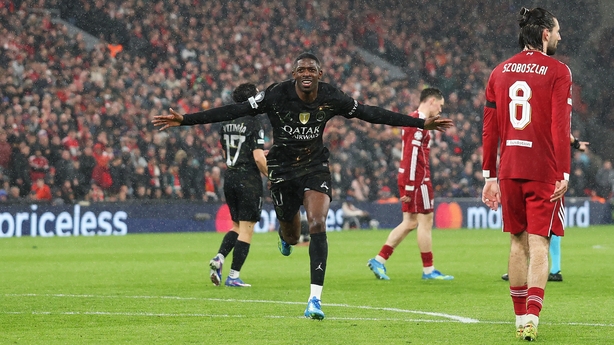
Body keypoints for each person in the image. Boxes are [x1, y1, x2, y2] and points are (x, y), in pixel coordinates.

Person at [153, 52, 453, 320]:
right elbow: (236, 110)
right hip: (282, 170)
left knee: (318, 224)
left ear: (319, 74)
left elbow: (371, 113)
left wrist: (419, 123)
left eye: (312, 69)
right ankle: (286, 237)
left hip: (314, 167)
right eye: (301, 69)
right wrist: (186, 120)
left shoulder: (332, 96)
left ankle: (314, 299)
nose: (306, 73)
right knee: (293, 236)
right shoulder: (275, 94)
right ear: (294, 74)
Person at [481, 8, 571, 341]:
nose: (561, 36)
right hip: (543, 169)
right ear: (545, 34)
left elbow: (490, 128)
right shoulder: (558, 71)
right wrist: (563, 170)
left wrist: (489, 174)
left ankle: (519, 320)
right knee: (540, 245)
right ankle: (533, 316)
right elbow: (560, 125)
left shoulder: (499, 71)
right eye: (558, 30)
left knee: (517, 244)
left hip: (509, 168)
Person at [367, 88, 453, 281]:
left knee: (410, 222)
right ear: (431, 101)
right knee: (425, 222)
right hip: (418, 178)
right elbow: (412, 155)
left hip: (410, 176)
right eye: (439, 105)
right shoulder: (418, 123)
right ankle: (429, 270)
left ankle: (379, 260)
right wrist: (410, 186)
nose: (440, 110)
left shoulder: (414, 120)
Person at [501, 134, 589, 283]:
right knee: (547, 223)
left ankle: (537, 268)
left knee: (531, 225)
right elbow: (560, 129)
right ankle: (539, 268)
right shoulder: (549, 112)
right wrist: (575, 143)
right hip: (544, 170)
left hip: (526, 169)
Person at [208, 83, 268, 288]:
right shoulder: (254, 123)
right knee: (247, 228)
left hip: (230, 176)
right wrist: (273, 175)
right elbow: (259, 158)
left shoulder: (226, 122)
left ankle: (219, 258)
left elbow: (227, 153)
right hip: (248, 179)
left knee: (236, 226)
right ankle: (233, 276)